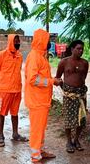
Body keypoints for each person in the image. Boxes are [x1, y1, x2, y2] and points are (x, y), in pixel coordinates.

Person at [25, 29, 62, 164]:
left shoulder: (41, 56)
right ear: (42, 41)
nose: (49, 43)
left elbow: (43, 77)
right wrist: (52, 81)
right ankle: (36, 157)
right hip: (37, 101)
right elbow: (32, 79)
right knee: (37, 130)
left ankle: (39, 151)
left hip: (42, 100)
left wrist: (52, 80)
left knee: (40, 128)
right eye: (47, 41)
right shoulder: (34, 56)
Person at [55, 40, 89, 153]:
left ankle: (76, 140)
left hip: (81, 95)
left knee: (81, 119)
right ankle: (69, 141)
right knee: (69, 119)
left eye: (82, 49)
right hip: (68, 96)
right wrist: (65, 90)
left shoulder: (85, 63)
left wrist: (79, 91)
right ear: (72, 49)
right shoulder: (64, 62)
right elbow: (57, 78)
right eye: (78, 48)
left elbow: (83, 78)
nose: (81, 51)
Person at [0, 34, 28, 147]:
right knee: (1, 113)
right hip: (4, 90)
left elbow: (19, 70)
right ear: (10, 42)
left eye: (18, 41)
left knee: (15, 113)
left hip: (17, 90)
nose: (17, 43)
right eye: (15, 41)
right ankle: (1, 135)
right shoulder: (1, 55)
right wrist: (3, 83)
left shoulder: (19, 56)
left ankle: (15, 134)